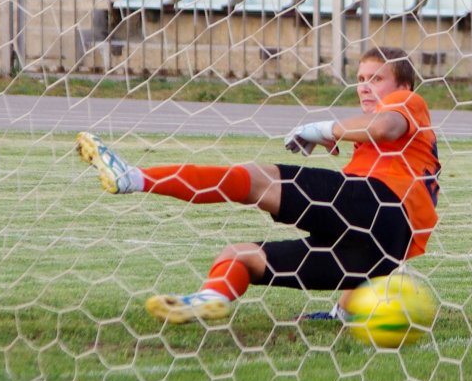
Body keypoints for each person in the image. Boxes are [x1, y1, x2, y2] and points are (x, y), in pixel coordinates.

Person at [75, 47, 440, 325]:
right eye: (360, 79)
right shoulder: (397, 159)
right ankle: (208, 298)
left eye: (376, 78)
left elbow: (383, 127)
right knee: (239, 256)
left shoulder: (407, 103)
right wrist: (343, 313)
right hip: (385, 251)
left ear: (403, 86)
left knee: (256, 179)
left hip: (382, 207)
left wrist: (321, 128)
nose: (364, 87)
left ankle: (133, 178)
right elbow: (366, 232)